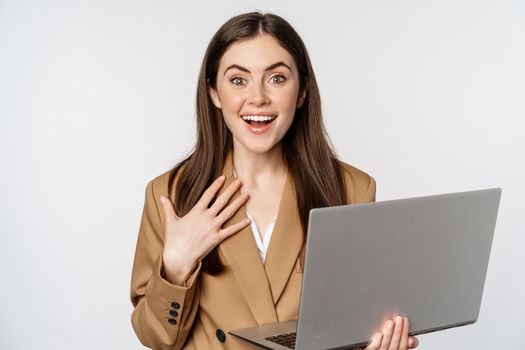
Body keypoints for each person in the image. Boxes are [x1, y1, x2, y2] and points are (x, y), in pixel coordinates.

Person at [130, 11, 420, 350]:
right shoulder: (172, 193)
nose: (258, 98)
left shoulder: (352, 189)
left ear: (301, 92)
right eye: (238, 80)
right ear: (214, 93)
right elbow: (154, 337)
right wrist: (175, 268)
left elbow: (353, 322)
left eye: (277, 78)